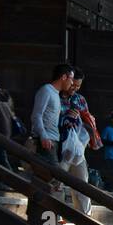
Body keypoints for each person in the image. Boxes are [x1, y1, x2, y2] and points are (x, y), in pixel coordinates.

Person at [58, 71, 101, 215]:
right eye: (73, 84)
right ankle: (52, 214)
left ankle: (84, 216)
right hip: (61, 146)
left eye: (78, 86)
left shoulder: (80, 99)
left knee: (82, 181)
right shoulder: (55, 95)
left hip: (78, 147)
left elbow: (87, 120)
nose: (74, 88)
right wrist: (66, 117)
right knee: (57, 179)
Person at [30, 63, 75, 195]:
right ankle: (49, 212)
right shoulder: (46, 90)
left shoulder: (56, 94)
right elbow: (36, 115)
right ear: (63, 77)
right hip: (46, 141)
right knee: (55, 177)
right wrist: (43, 135)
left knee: (46, 179)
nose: (72, 83)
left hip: (53, 141)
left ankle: (45, 211)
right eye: (71, 79)